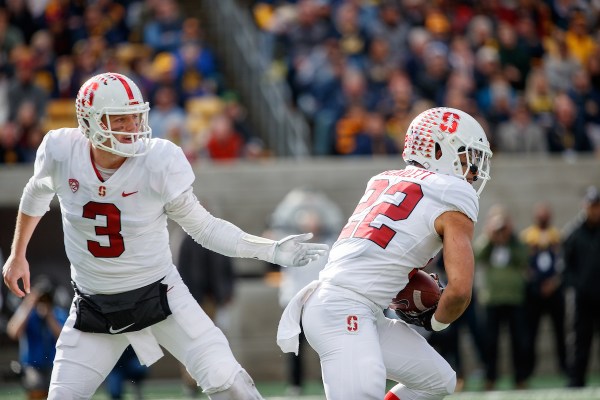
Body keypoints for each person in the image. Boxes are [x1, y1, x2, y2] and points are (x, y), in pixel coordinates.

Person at [1, 72, 329, 400]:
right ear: (90, 122)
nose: (133, 127)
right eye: (121, 119)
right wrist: (18, 254)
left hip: (161, 295)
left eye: (135, 117)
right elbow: (36, 194)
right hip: (93, 306)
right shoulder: (61, 150)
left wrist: (270, 250)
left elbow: (205, 228)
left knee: (231, 384)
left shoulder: (158, 160)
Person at [277, 107, 493, 399]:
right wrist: (436, 321)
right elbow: (459, 292)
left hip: (352, 306)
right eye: (467, 158)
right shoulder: (452, 192)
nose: (473, 172)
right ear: (439, 151)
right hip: (344, 308)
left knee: (437, 381)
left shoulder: (385, 179)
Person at [266, 187, 344, 396]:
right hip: (295, 300)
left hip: (320, 299)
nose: (310, 224)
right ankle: (295, 384)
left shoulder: (329, 244)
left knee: (324, 344)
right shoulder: (289, 245)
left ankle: (327, 381)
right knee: (295, 346)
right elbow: (271, 264)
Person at [474, 205, 529, 390]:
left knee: (518, 341)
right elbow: (477, 255)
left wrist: (509, 239)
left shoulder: (515, 242)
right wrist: (491, 238)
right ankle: (490, 378)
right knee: (490, 343)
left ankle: (520, 378)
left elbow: (524, 258)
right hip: (492, 299)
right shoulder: (487, 243)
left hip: (514, 299)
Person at [519, 202, 566, 378]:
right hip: (534, 293)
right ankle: (528, 372)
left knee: (560, 332)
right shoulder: (527, 236)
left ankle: (565, 368)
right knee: (530, 333)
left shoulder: (558, 236)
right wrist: (535, 282)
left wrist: (554, 283)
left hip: (555, 292)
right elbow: (524, 265)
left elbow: (562, 262)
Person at [6, 275, 68, 400]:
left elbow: (64, 339)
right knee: (36, 387)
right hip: (32, 366)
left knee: (58, 393)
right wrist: (29, 302)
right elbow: (13, 332)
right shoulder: (28, 314)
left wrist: (49, 316)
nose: (43, 301)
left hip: (55, 365)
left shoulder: (58, 313)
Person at [563, 185, 600, 387]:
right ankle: (576, 383)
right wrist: (577, 287)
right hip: (582, 299)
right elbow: (565, 267)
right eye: (591, 205)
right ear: (584, 206)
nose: (594, 210)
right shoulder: (574, 233)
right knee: (579, 341)